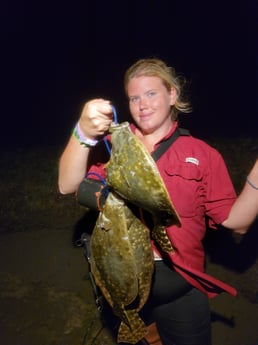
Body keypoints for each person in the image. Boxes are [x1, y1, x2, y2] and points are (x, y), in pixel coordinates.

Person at [58, 58, 258, 345]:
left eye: (151, 93)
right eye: (134, 97)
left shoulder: (202, 154)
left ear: (172, 95)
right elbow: (68, 185)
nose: (142, 104)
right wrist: (84, 132)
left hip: (181, 290)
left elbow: (236, 223)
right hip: (123, 287)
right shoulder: (117, 145)